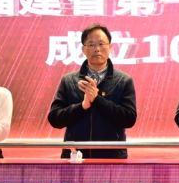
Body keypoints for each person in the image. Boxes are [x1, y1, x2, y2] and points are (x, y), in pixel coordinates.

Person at [48, 23, 138, 160]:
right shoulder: (69, 80)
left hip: (112, 157)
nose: (97, 49)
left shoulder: (123, 80)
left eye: (101, 44)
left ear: (110, 47)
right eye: (91, 44)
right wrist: (82, 106)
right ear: (83, 49)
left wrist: (97, 99)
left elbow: (129, 119)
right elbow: (55, 120)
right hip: (75, 157)